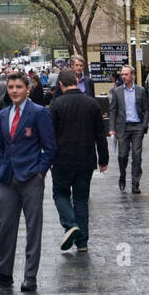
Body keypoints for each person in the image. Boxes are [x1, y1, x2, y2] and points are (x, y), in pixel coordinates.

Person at [0, 70, 57, 293]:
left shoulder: (39, 113)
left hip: (31, 178)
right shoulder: (3, 114)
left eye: (18, 87)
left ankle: (30, 276)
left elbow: (50, 147)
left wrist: (40, 172)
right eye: (11, 87)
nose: (13, 91)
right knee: (6, 227)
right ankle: (4, 273)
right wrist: (3, 166)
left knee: (33, 229)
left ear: (27, 89)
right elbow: (3, 146)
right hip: (8, 180)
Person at [48, 68, 108, 253]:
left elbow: (51, 136)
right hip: (86, 159)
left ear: (61, 84)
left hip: (62, 160)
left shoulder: (56, 105)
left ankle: (70, 224)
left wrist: (49, 158)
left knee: (60, 194)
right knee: (81, 199)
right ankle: (82, 242)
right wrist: (103, 159)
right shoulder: (91, 104)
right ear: (76, 81)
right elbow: (100, 134)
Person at [108, 65, 148, 193]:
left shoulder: (141, 90)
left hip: (137, 127)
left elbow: (146, 109)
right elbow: (113, 111)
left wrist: (144, 126)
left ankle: (135, 183)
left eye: (126, 74)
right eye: (122, 74)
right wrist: (112, 128)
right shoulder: (117, 91)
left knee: (137, 156)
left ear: (133, 75)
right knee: (122, 155)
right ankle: (122, 175)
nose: (123, 77)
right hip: (123, 128)